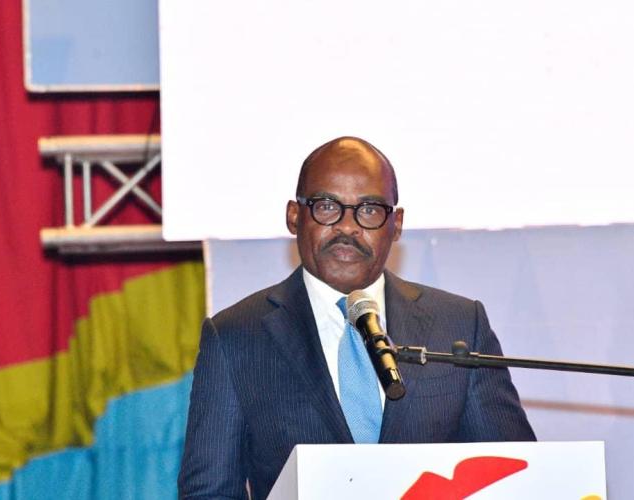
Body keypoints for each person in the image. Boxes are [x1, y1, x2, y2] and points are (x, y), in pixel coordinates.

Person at [178, 137, 535, 499]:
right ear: (294, 216)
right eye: (327, 206)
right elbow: (209, 493)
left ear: (396, 224)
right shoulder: (236, 336)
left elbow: (516, 477)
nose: (347, 228)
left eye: (369, 210)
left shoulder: (458, 324)